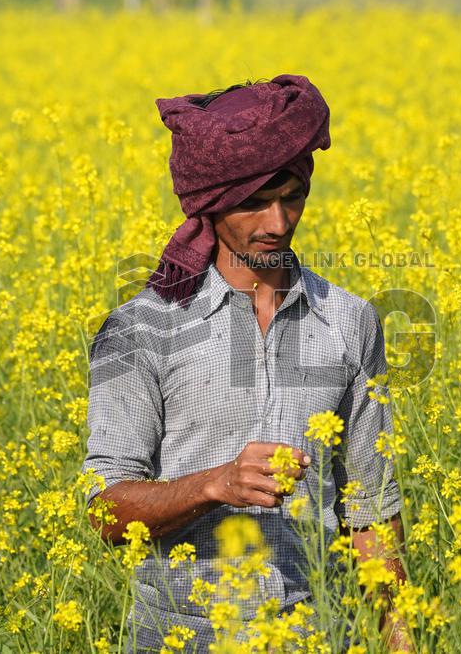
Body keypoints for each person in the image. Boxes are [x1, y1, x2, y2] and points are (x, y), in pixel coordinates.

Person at [82, 74, 412, 652]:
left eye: (292, 197)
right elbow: (107, 510)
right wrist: (214, 484)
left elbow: (370, 508)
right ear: (210, 205)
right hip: (184, 638)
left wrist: (400, 639)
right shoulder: (140, 330)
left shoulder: (352, 321)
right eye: (254, 202)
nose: (278, 223)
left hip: (316, 634)